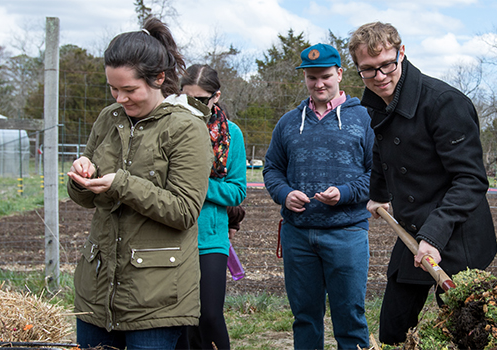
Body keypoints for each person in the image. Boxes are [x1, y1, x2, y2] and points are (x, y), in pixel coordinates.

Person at [66, 18, 214, 350]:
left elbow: (184, 210)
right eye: (112, 89)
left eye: (129, 89)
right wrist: (81, 176)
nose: (119, 98)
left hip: (157, 296)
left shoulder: (186, 128)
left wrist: (120, 184)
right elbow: (84, 198)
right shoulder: (109, 118)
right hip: (97, 291)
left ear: (158, 78)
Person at [348, 22, 497, 345]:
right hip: (413, 230)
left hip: (458, 234)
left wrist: (434, 235)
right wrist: (378, 194)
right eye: (368, 70)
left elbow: (471, 179)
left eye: (387, 64)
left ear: (402, 53)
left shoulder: (444, 103)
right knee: (393, 328)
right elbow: (381, 147)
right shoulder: (378, 102)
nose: (380, 76)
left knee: (463, 333)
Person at [263, 43, 373, 350]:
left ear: (339, 73)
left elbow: (378, 174)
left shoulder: (364, 119)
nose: (319, 84)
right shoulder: (288, 122)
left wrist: (346, 193)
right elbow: (271, 168)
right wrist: (284, 194)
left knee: (350, 318)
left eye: (325, 76)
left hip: (347, 234)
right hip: (298, 236)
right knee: (305, 318)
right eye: (311, 78)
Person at [176, 64, 247, 350]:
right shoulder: (169, 127)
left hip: (210, 239)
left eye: (200, 100)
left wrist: (197, 185)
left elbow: (237, 191)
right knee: (180, 321)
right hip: (173, 235)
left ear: (215, 97)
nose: (192, 106)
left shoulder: (232, 135)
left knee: (209, 317)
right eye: (186, 99)